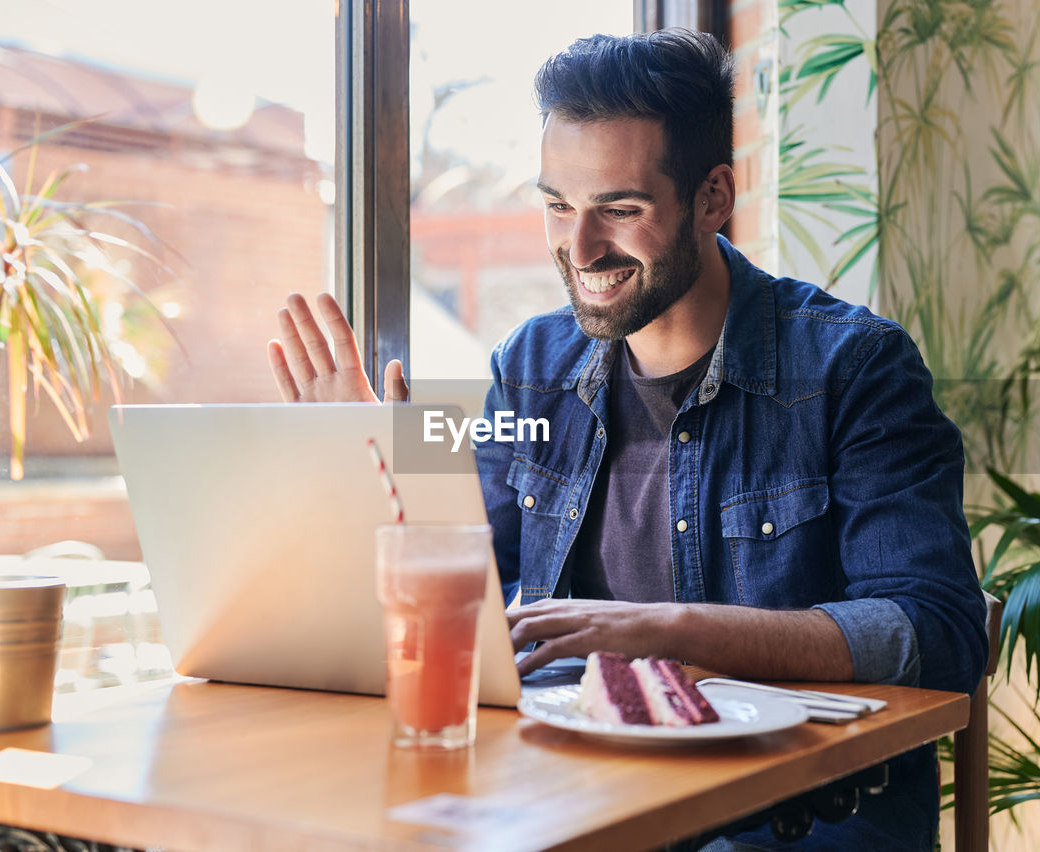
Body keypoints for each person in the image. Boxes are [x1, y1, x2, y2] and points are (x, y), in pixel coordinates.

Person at [269, 28, 987, 852]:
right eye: (557, 206)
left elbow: (940, 632)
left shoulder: (855, 367)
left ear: (714, 198)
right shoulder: (530, 365)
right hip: (569, 788)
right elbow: (472, 584)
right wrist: (377, 466)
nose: (578, 250)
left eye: (619, 209)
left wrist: (667, 629)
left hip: (793, 816)